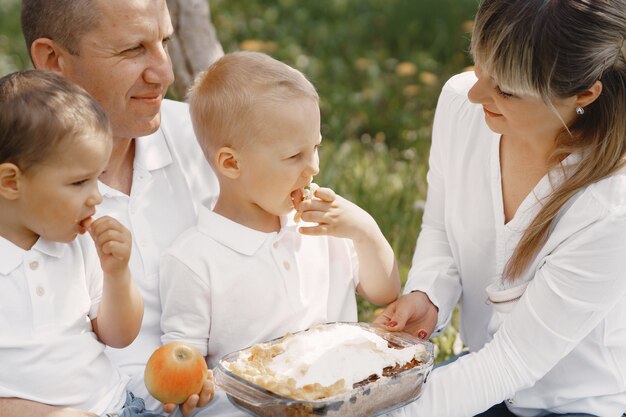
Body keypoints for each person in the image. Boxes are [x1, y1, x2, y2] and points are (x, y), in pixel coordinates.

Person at [374, 0, 626, 416]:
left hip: (578, 405)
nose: (476, 93)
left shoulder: (610, 204)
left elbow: (512, 362)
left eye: (506, 90)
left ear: (584, 93)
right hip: (481, 379)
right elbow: (439, 226)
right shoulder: (462, 104)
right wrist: (429, 294)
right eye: (479, 65)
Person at [3, 0, 219, 415]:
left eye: (165, 43)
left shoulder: (207, 138)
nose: (165, 74)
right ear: (53, 59)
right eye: (133, 49)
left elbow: (308, 231)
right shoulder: (23, 191)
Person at [158, 50, 401, 416]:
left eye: (315, 148)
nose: (314, 168)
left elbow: (385, 292)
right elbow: (182, 361)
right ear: (231, 163)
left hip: (344, 396)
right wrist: (194, 387)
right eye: (294, 157)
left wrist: (364, 231)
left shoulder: (324, 226)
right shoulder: (195, 260)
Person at [0, 70, 159, 416]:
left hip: (117, 406)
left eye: (97, 179)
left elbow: (117, 336)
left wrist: (118, 275)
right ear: (11, 181)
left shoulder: (76, 243)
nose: (96, 198)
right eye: (78, 183)